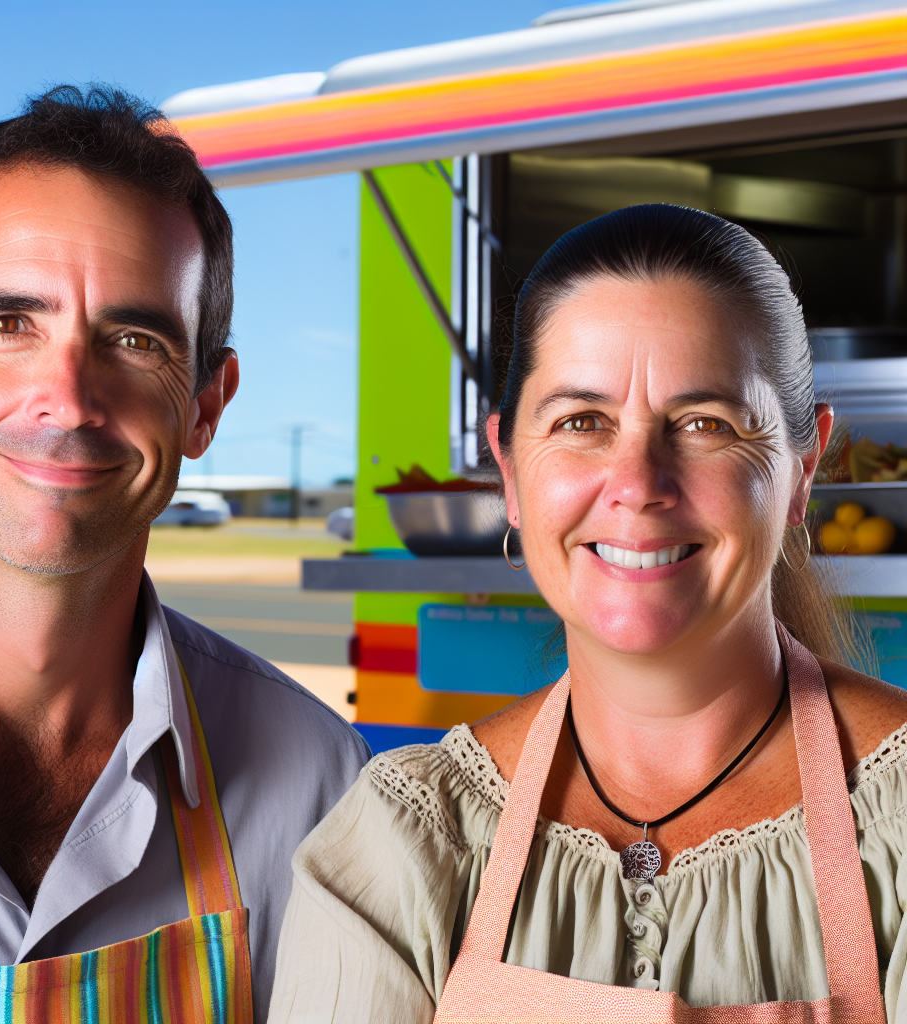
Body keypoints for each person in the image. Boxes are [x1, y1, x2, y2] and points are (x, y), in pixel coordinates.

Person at [268, 204, 907, 1023]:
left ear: (802, 467)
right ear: (508, 470)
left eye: (705, 424)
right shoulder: (405, 844)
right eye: (582, 422)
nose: (638, 482)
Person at [0, 85, 368, 1024]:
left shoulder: (319, 783)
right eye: (7, 324)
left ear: (205, 406)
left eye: (135, 338)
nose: (66, 399)